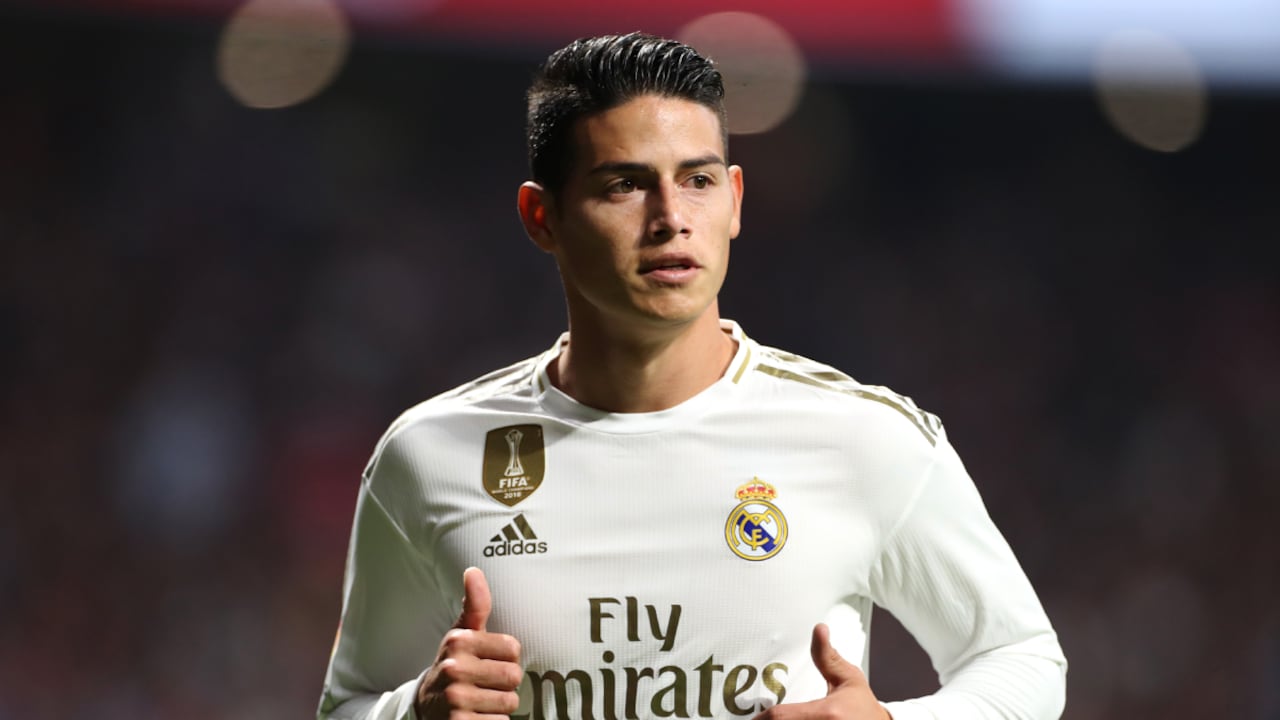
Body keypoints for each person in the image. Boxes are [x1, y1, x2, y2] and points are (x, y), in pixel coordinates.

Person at [317, 32, 1067, 720]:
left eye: (698, 180)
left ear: (734, 200)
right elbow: (346, 703)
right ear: (540, 217)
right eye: (623, 185)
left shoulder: (863, 438)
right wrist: (412, 710)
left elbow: (1025, 660)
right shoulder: (429, 454)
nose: (671, 216)